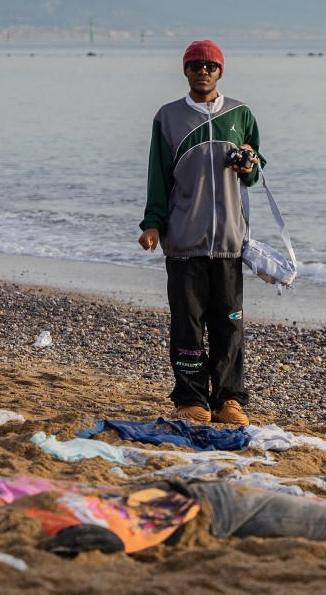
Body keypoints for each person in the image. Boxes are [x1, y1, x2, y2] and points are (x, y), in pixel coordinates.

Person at [138, 40, 263, 427]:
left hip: (228, 242)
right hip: (184, 243)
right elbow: (157, 177)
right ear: (185, 71)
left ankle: (229, 399)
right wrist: (152, 225)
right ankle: (191, 398)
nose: (202, 71)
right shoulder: (168, 117)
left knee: (229, 323)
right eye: (195, 65)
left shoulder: (241, 114)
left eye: (209, 65)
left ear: (220, 71)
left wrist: (249, 166)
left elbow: (256, 173)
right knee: (187, 324)